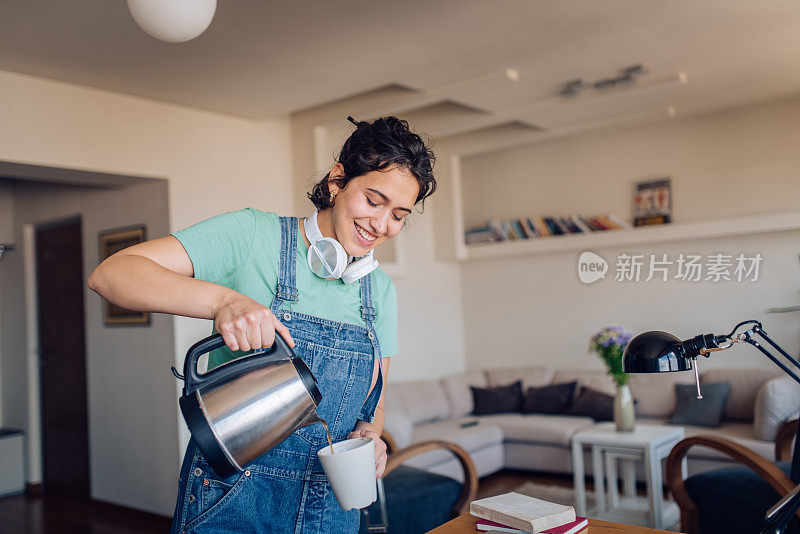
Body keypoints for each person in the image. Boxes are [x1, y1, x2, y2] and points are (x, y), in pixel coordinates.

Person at [87, 116, 436, 533]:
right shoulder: (254, 235)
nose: (381, 225)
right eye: (373, 201)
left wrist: (371, 437)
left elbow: (373, 403)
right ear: (337, 181)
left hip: (331, 505)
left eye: (398, 215)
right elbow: (112, 274)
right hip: (234, 497)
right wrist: (224, 300)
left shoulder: (377, 290)